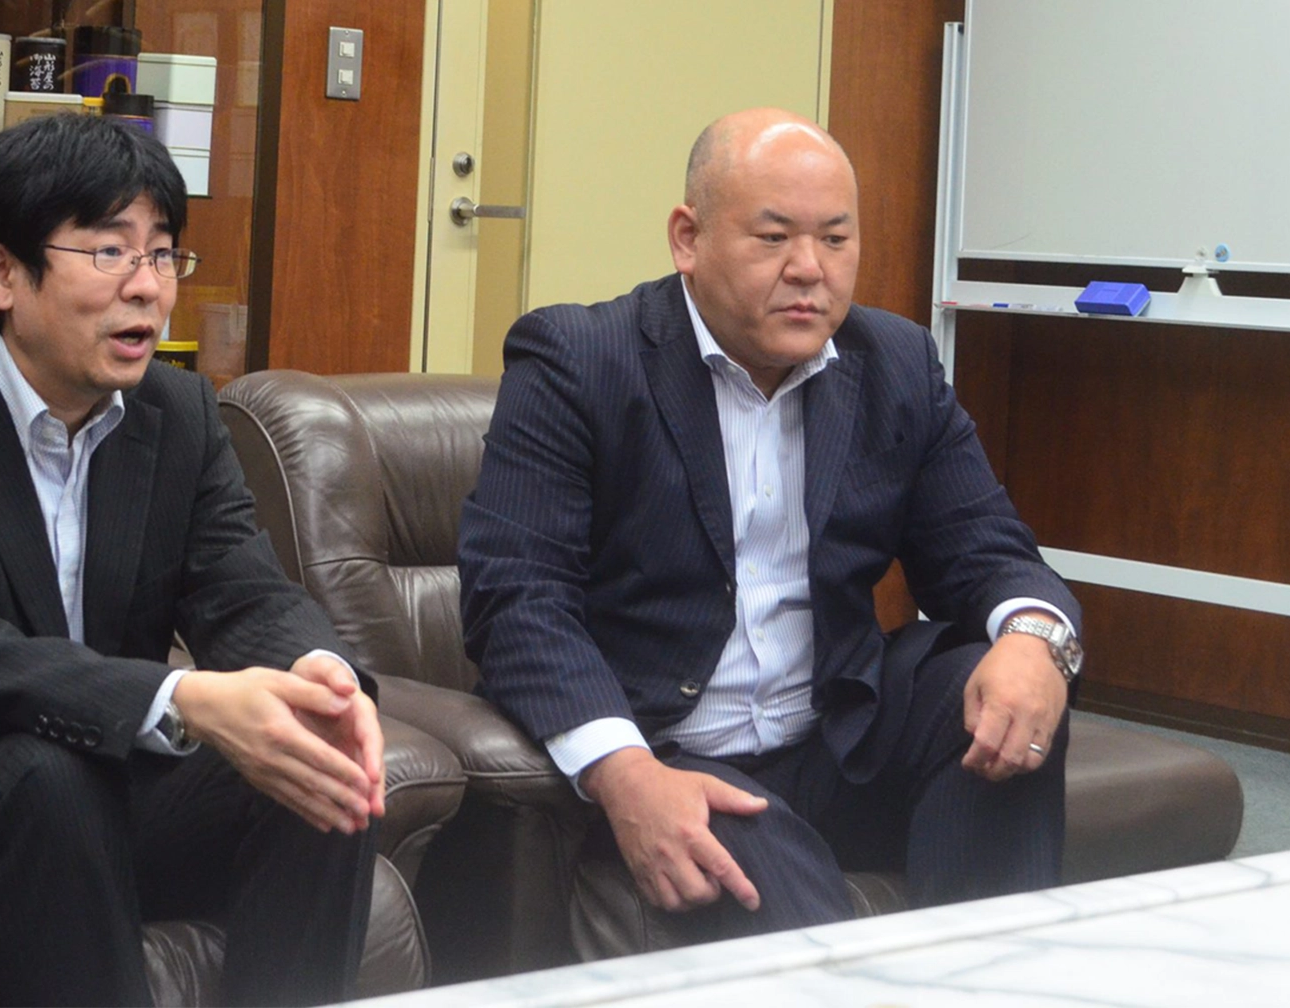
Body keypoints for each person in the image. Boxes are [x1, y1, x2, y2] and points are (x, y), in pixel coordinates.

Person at [0, 114, 385, 1006]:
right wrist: (181, 697)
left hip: (103, 785)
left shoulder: (178, 417)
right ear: (1, 274)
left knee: (319, 768)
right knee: (48, 778)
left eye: (163, 254)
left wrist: (319, 679)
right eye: (110, 252)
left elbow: (245, 589)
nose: (148, 288)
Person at [458, 108, 1083, 945]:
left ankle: (989, 977)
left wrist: (1037, 641)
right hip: (667, 751)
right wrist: (625, 771)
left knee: (1005, 695)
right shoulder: (579, 360)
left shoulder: (894, 363)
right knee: (767, 873)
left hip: (835, 736)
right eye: (774, 237)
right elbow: (517, 598)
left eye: (836, 239)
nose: (809, 270)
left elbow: (987, 549)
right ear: (688, 239)